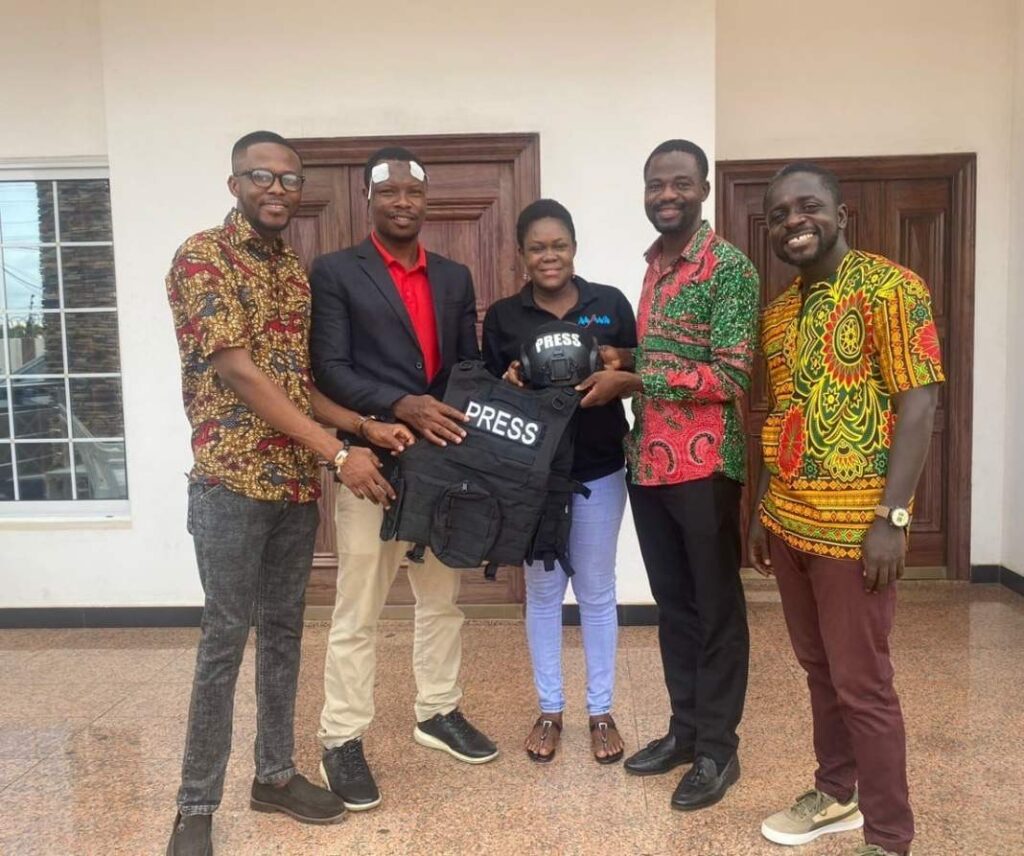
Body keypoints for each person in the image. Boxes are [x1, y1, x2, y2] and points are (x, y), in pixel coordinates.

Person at [164, 130, 413, 855]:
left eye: (290, 180)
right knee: (223, 641)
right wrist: (339, 453)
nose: (277, 189)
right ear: (235, 182)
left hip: (292, 486)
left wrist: (366, 425)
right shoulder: (202, 257)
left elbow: (296, 384)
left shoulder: (292, 272)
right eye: (262, 176)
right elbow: (238, 370)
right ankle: (194, 807)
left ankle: (273, 776)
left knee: (281, 637)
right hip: (231, 484)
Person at [750, 162, 943, 856]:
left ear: (841, 214)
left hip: (858, 530)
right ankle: (835, 793)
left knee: (863, 684)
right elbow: (782, 415)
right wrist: (763, 508)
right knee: (818, 669)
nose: (794, 222)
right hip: (791, 521)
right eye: (778, 215)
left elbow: (918, 403)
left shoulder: (893, 289)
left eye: (808, 208)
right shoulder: (777, 316)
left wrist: (893, 518)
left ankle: (889, 835)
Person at [310, 146, 498, 813]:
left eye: (413, 192)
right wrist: (399, 407)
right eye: (388, 191)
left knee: (442, 598)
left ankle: (438, 713)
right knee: (357, 609)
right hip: (373, 464)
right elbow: (329, 368)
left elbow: (466, 367)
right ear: (369, 199)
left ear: (427, 200)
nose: (402, 202)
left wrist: (458, 423)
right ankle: (341, 739)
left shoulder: (454, 276)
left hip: (440, 470)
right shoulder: (335, 272)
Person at [577, 139, 759, 810]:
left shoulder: (728, 269)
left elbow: (730, 374)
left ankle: (718, 748)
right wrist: (629, 353)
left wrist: (634, 375)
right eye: (656, 184)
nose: (666, 195)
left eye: (680, 183)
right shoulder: (655, 266)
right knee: (675, 610)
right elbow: (674, 354)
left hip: (707, 464)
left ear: (704, 189)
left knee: (716, 610)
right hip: (650, 463)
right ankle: (685, 732)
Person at [482, 199, 637, 764]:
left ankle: (601, 712)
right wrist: (510, 385)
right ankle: (550, 709)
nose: (549, 256)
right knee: (544, 595)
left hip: (599, 467)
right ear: (521, 255)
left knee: (597, 591)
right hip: (535, 476)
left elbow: (636, 368)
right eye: (537, 248)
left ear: (574, 247)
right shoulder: (503, 316)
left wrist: (619, 370)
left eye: (559, 245)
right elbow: (489, 397)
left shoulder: (609, 303)